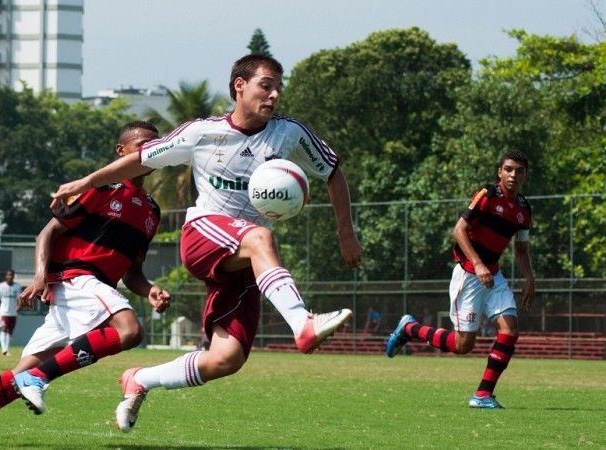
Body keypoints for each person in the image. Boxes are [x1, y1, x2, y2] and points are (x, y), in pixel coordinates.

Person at [50, 54, 364, 433]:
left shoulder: (290, 133)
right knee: (261, 235)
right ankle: (302, 323)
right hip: (203, 235)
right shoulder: (201, 133)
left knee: (226, 358)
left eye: (279, 87)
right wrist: (85, 182)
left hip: (247, 258)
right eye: (266, 85)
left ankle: (139, 379)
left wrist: (345, 232)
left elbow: (332, 172)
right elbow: (139, 161)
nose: (274, 94)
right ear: (240, 86)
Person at [0, 121, 171, 447]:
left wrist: (151, 290)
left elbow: (132, 272)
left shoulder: (152, 211)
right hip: (78, 281)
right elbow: (48, 232)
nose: (149, 151)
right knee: (131, 331)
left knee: (13, 379)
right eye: (142, 145)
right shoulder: (102, 189)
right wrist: (39, 276)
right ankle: (38, 378)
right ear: (121, 151)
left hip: (92, 293)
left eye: (155, 145)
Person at [386, 150, 535, 409]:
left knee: (510, 330)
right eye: (508, 169)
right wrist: (477, 265)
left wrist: (530, 278)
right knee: (462, 344)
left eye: (519, 171)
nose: (513, 175)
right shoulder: (487, 196)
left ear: (525, 175)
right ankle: (410, 328)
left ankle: (482, 395)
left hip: (494, 275)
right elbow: (459, 230)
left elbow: (521, 250)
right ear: (500, 171)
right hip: (469, 275)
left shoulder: (524, 209)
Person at [0, 269, 22, 355]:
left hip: (13, 312)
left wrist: (20, 306)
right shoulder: (1, 286)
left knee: (10, 331)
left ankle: (7, 349)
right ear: (6, 276)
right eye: (8, 275)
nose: (10, 277)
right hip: (3, 312)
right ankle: (4, 349)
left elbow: (20, 299)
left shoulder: (17, 287)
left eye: (11, 275)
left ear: (13, 276)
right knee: (4, 328)